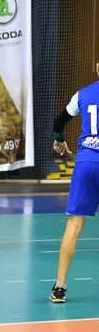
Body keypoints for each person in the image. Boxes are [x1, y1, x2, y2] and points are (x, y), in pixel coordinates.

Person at [49, 60, 99, 303]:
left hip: (86, 162)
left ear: (98, 68)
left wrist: (60, 140)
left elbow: (59, 122)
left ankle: (59, 287)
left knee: (73, 225)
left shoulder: (83, 94)